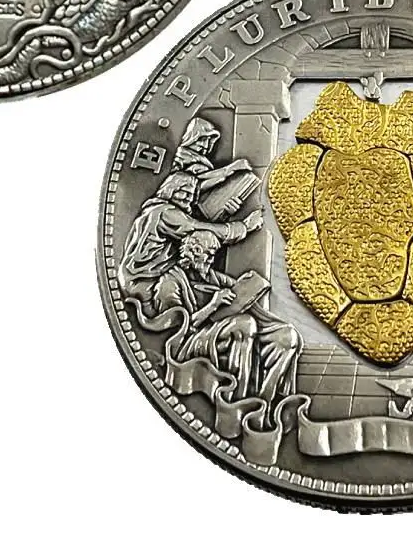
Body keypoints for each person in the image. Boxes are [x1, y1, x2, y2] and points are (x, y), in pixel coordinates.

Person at [154, 230, 300, 405]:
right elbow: (175, 330)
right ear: (194, 252)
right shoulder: (169, 283)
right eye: (209, 255)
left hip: (217, 332)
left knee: (287, 336)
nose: (211, 260)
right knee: (245, 324)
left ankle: (263, 402)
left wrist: (248, 285)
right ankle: (237, 399)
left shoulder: (211, 276)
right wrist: (213, 305)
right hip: (190, 340)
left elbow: (235, 287)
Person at [117, 173, 262, 309]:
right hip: (143, 282)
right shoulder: (165, 213)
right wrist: (244, 227)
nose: (189, 199)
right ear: (170, 190)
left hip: (146, 276)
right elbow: (198, 228)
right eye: (184, 192)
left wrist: (226, 213)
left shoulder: (156, 209)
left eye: (191, 194)